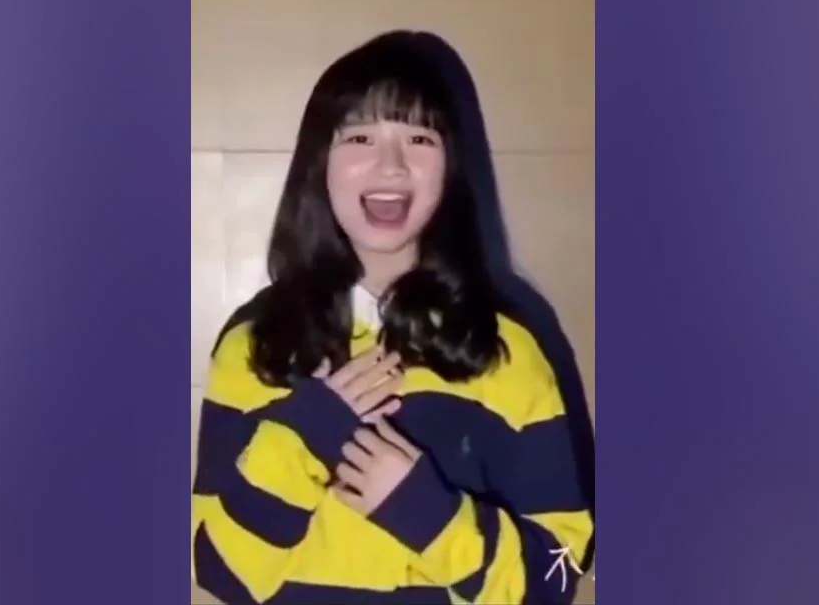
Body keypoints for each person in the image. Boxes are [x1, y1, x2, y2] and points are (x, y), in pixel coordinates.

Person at [191, 31, 592, 604]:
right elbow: (218, 572)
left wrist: (430, 516)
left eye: (419, 138)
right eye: (359, 137)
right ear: (319, 163)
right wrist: (301, 443)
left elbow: (559, 576)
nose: (391, 165)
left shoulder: (505, 351)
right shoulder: (256, 345)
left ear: (451, 167)